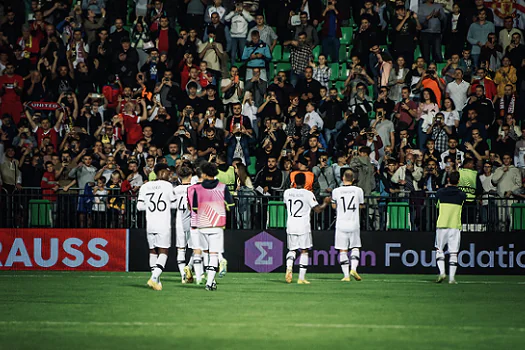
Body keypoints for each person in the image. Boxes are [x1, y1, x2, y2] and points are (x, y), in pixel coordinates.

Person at [187, 162, 234, 290]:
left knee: (205, 253)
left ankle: (209, 281)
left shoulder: (198, 189)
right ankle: (209, 282)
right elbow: (231, 205)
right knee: (214, 255)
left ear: (204, 174)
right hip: (217, 225)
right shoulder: (222, 187)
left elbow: (195, 208)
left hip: (202, 225)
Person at [283, 172, 330, 284]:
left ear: (294, 181)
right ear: (305, 182)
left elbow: (286, 205)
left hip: (291, 224)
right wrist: (325, 203)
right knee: (304, 251)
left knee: (292, 250)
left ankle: (289, 267)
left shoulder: (287, 192)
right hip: (303, 225)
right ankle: (301, 278)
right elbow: (317, 210)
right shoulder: (308, 194)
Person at [137, 165, 177, 291]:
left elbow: (139, 207)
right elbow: (174, 203)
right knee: (163, 251)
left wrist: (149, 206)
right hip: (163, 223)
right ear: (161, 172)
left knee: (153, 251)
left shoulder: (145, 186)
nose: (169, 175)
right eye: (168, 173)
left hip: (150, 223)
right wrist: (166, 205)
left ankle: (157, 281)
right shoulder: (167, 186)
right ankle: (154, 278)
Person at [331, 169, 365, 282]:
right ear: (353, 179)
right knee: (355, 247)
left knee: (343, 250)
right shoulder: (358, 190)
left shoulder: (336, 191)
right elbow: (361, 205)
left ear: (343, 178)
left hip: (341, 223)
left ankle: (346, 275)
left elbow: (334, 206)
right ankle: (354, 268)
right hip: (354, 223)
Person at [434, 171, 466, 284]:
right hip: (455, 225)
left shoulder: (440, 193)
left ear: (448, 180)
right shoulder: (462, 195)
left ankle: (442, 272)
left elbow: (436, 205)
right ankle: (452, 278)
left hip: (442, 224)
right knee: (453, 253)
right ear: (458, 181)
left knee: (439, 250)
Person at [173, 164, 193, 284]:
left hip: (179, 221)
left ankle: (183, 276)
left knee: (181, 249)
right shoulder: (195, 188)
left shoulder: (174, 190)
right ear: (190, 175)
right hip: (192, 219)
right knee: (198, 249)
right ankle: (189, 267)